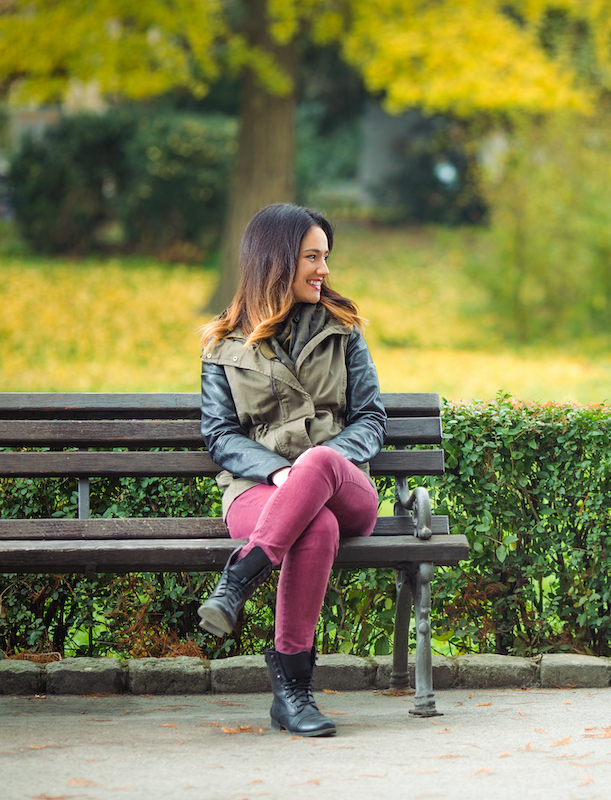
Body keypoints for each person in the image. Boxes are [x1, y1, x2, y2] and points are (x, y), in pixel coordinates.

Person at [196, 203, 387, 738]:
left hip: (345, 485)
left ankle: (240, 577)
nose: (324, 269)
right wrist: (280, 474)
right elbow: (220, 435)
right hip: (259, 492)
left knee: (321, 461)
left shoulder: (343, 329)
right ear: (275, 262)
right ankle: (293, 695)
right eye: (312, 257)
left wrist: (314, 466)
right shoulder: (223, 344)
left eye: (326, 257)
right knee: (315, 526)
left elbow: (371, 417)